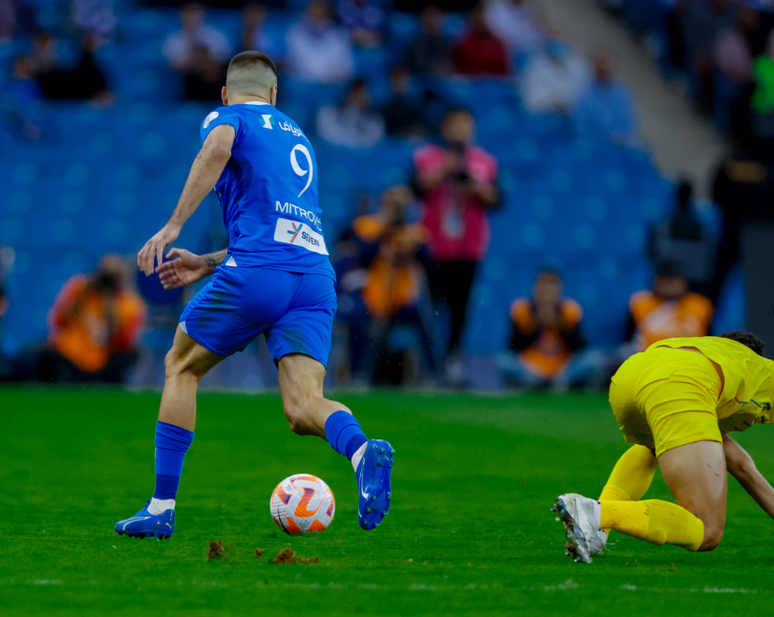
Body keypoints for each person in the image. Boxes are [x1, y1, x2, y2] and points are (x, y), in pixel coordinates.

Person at [116, 52, 394, 540]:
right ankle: (361, 451)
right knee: (303, 406)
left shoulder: (227, 118)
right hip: (312, 277)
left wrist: (173, 225)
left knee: (181, 367)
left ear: (226, 93)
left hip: (262, 273)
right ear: (274, 95)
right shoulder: (297, 136)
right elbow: (278, 233)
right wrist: (203, 263)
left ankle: (161, 507)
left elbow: (216, 149)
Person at [554, 331, 774, 563]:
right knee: (707, 530)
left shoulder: (711, 355)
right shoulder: (760, 371)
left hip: (630, 377)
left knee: (653, 446)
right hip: (682, 381)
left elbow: (740, 465)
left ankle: (596, 532)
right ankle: (595, 515)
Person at [413, 107, 500, 386]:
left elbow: (497, 199)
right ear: (445, 128)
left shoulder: (484, 162)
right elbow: (417, 187)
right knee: (433, 307)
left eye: (466, 124)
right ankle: (431, 362)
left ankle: (453, 360)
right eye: (456, 124)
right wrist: (444, 169)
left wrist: (475, 186)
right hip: (435, 246)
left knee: (461, 307)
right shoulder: (429, 157)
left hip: (469, 247)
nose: (461, 130)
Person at [336, 185, 434, 384]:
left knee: (424, 320)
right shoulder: (367, 226)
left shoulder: (414, 232)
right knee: (356, 320)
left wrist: (411, 248)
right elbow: (362, 258)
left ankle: (431, 375)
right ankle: (357, 375)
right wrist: (386, 230)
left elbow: (431, 264)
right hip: (372, 296)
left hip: (401, 298)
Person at [39, 255, 146, 383]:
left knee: (134, 354)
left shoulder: (128, 304)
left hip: (104, 360)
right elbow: (58, 321)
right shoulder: (80, 289)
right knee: (43, 354)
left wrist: (110, 309)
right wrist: (85, 292)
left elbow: (123, 343)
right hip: (72, 354)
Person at [498, 269, 604, 391]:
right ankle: (537, 383)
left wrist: (558, 325)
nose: (547, 290)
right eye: (542, 284)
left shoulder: (570, 310)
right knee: (503, 360)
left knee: (595, 357)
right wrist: (535, 324)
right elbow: (513, 348)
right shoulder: (522, 310)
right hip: (531, 369)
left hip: (563, 369)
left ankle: (557, 383)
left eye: (551, 285)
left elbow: (581, 348)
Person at [624, 261, 714, 356]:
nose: (668, 285)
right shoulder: (641, 304)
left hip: (692, 359)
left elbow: (710, 338)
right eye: (664, 279)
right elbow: (627, 340)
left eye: (672, 280)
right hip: (651, 359)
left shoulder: (700, 304)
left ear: (683, 282)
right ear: (655, 281)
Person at [649, 179, 716, 297]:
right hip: (672, 280)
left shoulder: (699, 225)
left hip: (695, 280)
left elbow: (709, 253)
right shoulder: (667, 223)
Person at [574, 52, 639, 146]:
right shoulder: (584, 94)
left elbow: (628, 121)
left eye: (606, 71)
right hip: (593, 145)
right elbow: (581, 126)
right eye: (600, 71)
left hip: (620, 145)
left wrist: (618, 139)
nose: (604, 74)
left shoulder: (621, 93)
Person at [285, 0, 355, 84]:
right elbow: (302, 65)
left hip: (334, 83)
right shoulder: (295, 32)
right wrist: (326, 75)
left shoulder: (338, 33)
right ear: (308, 8)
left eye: (321, 6)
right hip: (306, 84)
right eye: (316, 6)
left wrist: (337, 74)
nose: (319, 11)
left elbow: (348, 65)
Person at [519, 38, 591, 115]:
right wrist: (554, 102)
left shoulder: (571, 70)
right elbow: (531, 101)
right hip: (541, 115)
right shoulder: (538, 69)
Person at [162, 3, 230, 76]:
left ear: (203, 13)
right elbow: (173, 63)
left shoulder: (217, 35)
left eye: (195, 12)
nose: (192, 16)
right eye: (188, 12)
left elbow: (223, 59)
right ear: (181, 14)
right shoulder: (173, 38)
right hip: (185, 79)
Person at [316, 78, 385, 149]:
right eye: (356, 95)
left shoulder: (375, 120)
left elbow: (373, 144)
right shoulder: (328, 111)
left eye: (363, 96)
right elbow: (329, 136)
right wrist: (351, 113)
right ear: (348, 94)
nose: (359, 100)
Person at [452, 3, 510, 77]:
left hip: (496, 83)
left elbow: (504, 71)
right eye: (478, 17)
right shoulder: (463, 43)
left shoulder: (498, 42)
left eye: (483, 17)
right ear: (472, 19)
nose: (481, 20)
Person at [406, 6, 453, 78]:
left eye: (436, 15)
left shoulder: (446, 41)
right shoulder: (416, 42)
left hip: (443, 78)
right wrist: (436, 69)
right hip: (422, 78)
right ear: (422, 18)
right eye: (430, 15)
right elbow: (420, 65)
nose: (433, 20)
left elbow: (450, 63)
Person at [382, 66, 430, 138]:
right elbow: (388, 132)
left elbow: (426, 128)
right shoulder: (387, 109)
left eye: (404, 81)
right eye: (397, 81)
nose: (401, 84)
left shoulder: (419, 104)